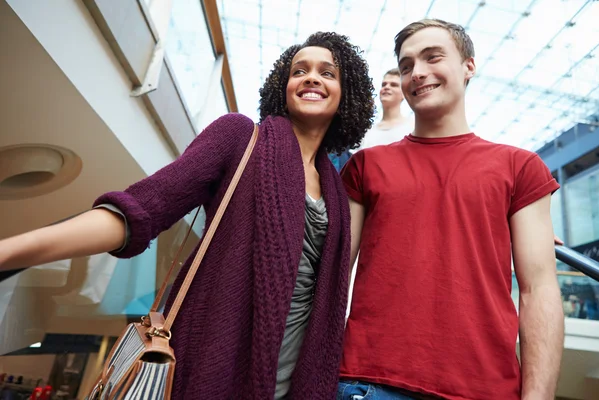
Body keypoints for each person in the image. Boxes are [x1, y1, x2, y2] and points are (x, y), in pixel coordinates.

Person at [0, 32, 375, 399]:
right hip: (213, 365)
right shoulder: (241, 137)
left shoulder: (337, 193)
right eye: (299, 70)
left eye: (327, 72)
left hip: (296, 381)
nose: (311, 77)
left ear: (347, 95)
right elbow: (141, 209)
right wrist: (12, 251)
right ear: (283, 85)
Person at [338, 19, 564, 400]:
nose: (417, 73)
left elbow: (538, 290)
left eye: (432, 57)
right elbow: (333, 272)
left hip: (485, 388)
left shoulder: (519, 167)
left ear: (468, 66)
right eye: (407, 64)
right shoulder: (366, 166)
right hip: (368, 381)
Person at [354, 67, 414, 151]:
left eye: (394, 85)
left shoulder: (413, 128)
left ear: (404, 94)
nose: (386, 87)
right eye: (384, 84)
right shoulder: (366, 134)